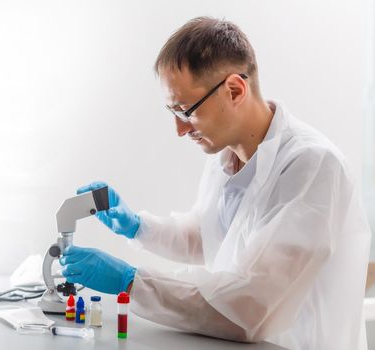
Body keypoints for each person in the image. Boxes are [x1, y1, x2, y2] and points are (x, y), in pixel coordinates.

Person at [59, 17, 371, 350]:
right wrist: (136, 227)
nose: (180, 130)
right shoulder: (224, 156)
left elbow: (249, 306)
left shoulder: (312, 166)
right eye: (173, 112)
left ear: (235, 90)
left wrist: (131, 281)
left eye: (185, 111)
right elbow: (207, 236)